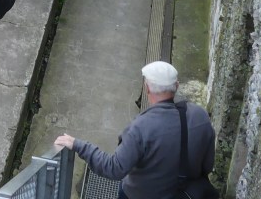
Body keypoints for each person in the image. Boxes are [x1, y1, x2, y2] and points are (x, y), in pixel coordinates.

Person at [54, 61, 216, 199]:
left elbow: (114, 168)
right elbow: (207, 165)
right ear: (177, 86)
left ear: (147, 89)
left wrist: (78, 145)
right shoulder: (200, 116)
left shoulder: (140, 128)